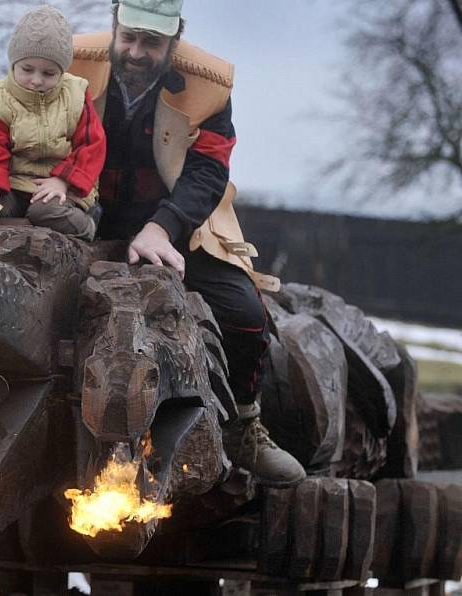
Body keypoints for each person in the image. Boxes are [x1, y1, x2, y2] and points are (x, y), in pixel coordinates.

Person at [68, 0, 306, 486]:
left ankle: (243, 423)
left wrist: (164, 225)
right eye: (128, 37)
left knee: (246, 313)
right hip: (79, 212)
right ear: (114, 27)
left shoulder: (211, 86)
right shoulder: (69, 58)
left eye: (152, 43)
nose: (135, 52)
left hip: (177, 225)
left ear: (174, 41)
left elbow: (208, 170)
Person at [0, 5, 106, 241]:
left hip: (62, 187)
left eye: (49, 73)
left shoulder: (77, 96)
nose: (36, 80)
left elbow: (91, 145)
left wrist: (62, 181)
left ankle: (87, 225)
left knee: (45, 212)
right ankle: (0, 216)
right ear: (13, 64)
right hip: (13, 182)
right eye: (27, 69)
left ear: (62, 72)